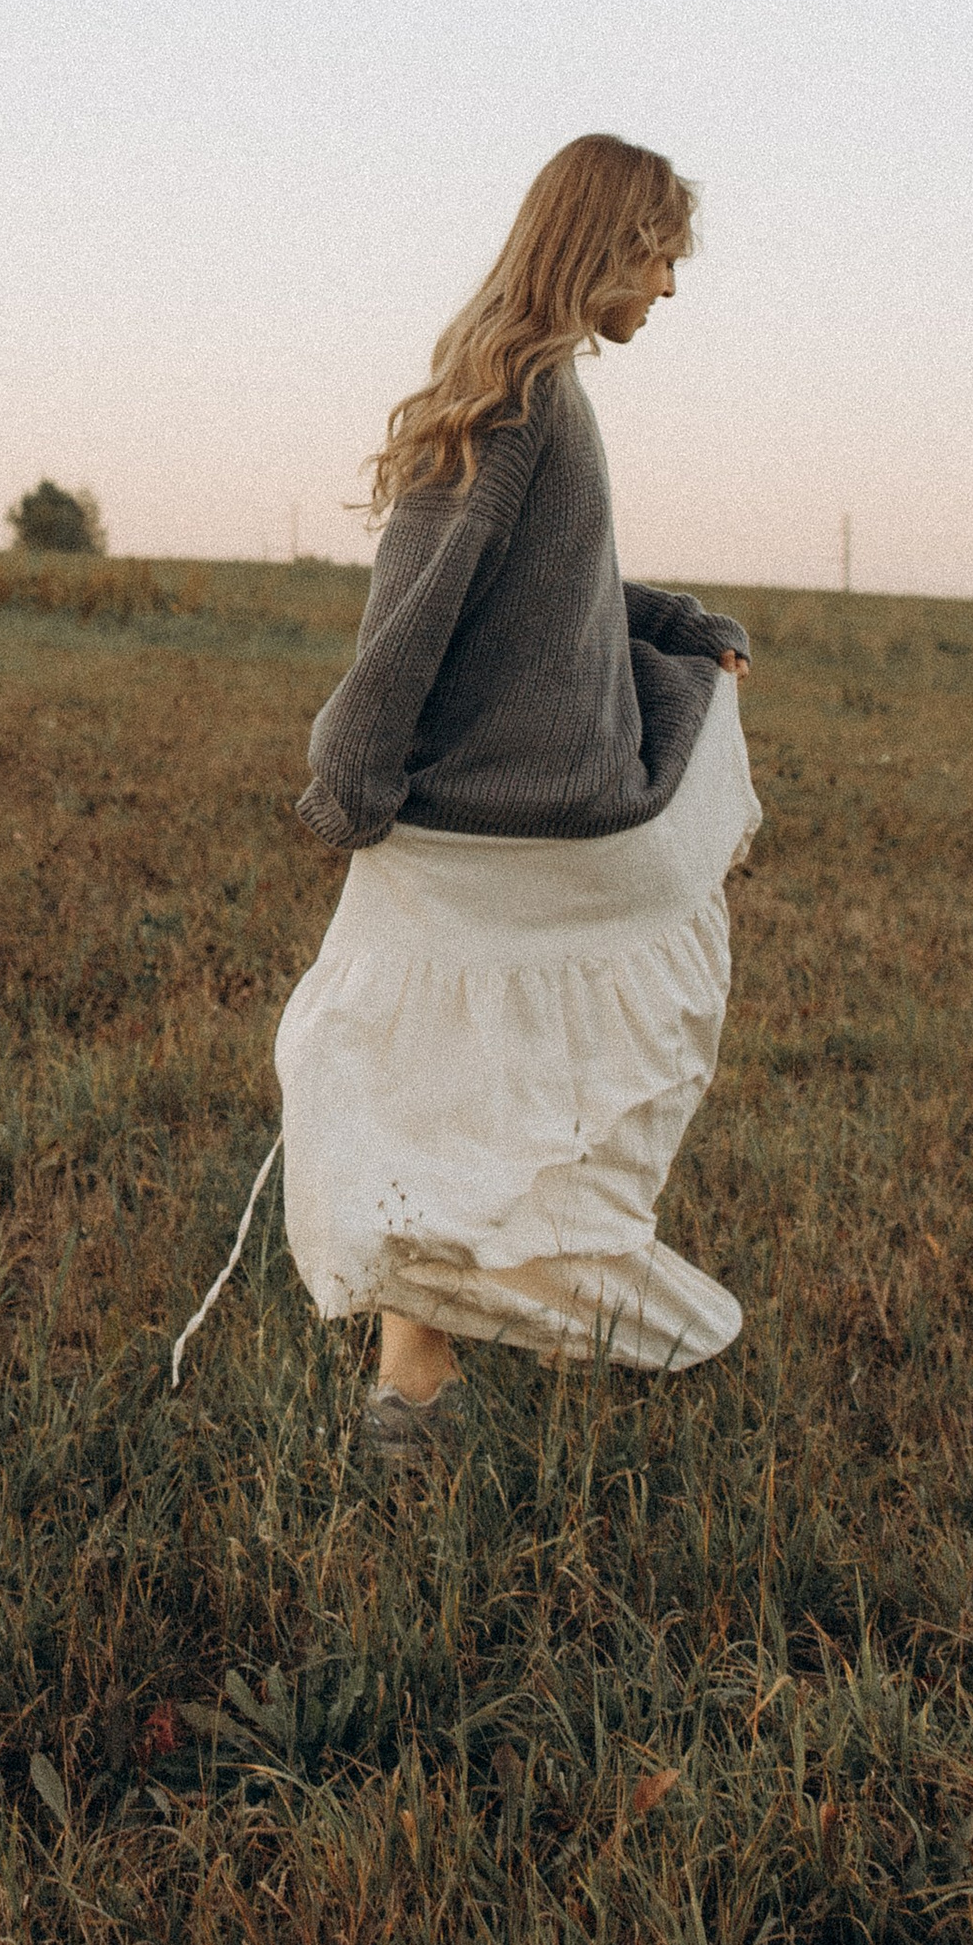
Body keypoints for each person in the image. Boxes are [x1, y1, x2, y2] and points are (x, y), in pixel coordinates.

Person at [275, 135, 759, 1450]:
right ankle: (528, 1316)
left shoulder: (534, 388)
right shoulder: (520, 394)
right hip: (519, 822)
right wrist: (349, 781)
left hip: (531, 818)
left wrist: (675, 623)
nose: (668, 287)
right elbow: (420, 597)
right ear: (608, 245)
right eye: (660, 257)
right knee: (515, 1065)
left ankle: (418, 1387)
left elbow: (554, 583)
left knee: (442, 1089)